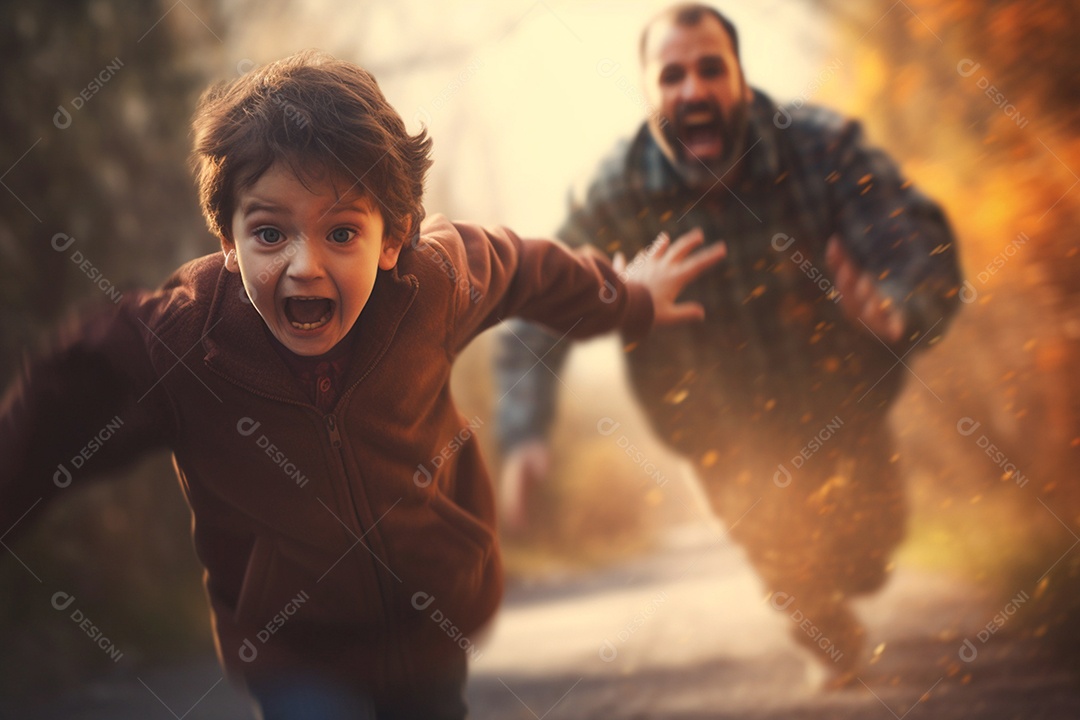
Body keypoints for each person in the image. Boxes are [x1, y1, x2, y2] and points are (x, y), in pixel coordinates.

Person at [0, 51, 726, 718]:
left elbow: (524, 268)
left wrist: (628, 299)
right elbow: (70, 386)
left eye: (341, 232)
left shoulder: (432, 284)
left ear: (395, 236)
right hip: (294, 650)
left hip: (428, 623)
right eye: (269, 233)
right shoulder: (188, 339)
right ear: (226, 238)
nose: (304, 265)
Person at [495, 2, 962, 687]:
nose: (693, 91)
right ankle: (815, 620)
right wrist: (524, 429)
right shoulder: (616, 190)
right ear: (650, 90)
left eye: (711, 70)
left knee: (869, 556)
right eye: (672, 75)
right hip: (713, 419)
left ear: (741, 79)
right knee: (783, 545)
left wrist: (898, 305)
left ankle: (841, 577)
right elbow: (535, 301)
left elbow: (912, 236)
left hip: (837, 396)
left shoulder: (821, 148)